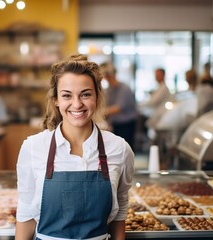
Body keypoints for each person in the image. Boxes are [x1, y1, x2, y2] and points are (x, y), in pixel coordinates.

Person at [16, 54, 135, 240]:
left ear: (97, 96)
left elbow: (120, 210)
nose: (77, 104)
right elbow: (25, 211)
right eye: (66, 96)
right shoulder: (33, 147)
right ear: (56, 100)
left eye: (86, 94)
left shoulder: (119, 149)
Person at [100, 62, 138, 149]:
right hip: (116, 123)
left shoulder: (124, 88)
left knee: (126, 148)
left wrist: (101, 112)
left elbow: (118, 107)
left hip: (126, 124)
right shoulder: (109, 89)